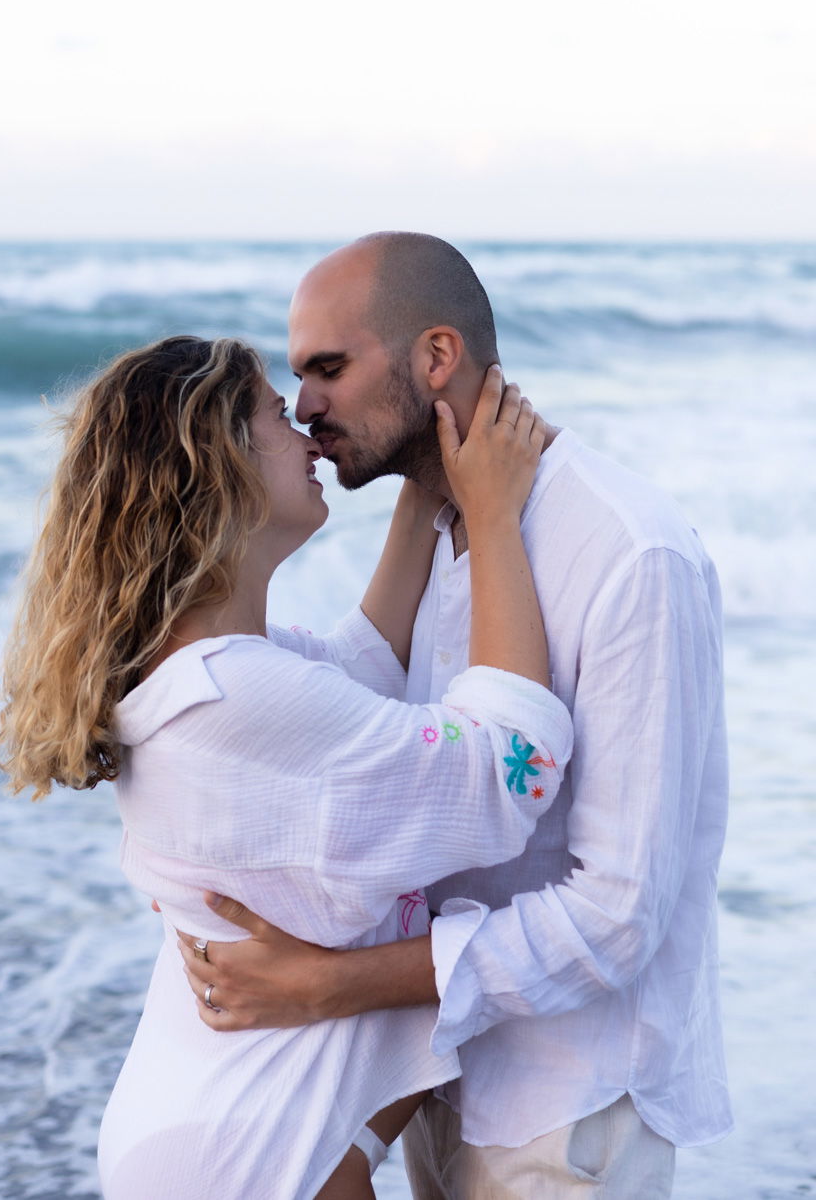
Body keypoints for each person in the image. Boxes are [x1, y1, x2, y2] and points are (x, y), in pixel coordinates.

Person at [176, 234, 731, 1200]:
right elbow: (364, 710)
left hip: (566, 1116)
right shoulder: (437, 529)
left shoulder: (627, 552)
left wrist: (328, 986)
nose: (304, 406)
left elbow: (618, 917)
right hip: (434, 1083)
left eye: (328, 369)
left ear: (435, 358)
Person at [0, 333, 575, 1199]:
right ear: (216, 465)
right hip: (244, 1153)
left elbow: (361, 669)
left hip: (212, 1130)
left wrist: (426, 486)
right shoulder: (239, 698)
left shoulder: (198, 672)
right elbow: (512, 770)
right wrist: (491, 518)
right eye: (276, 415)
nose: (307, 428)